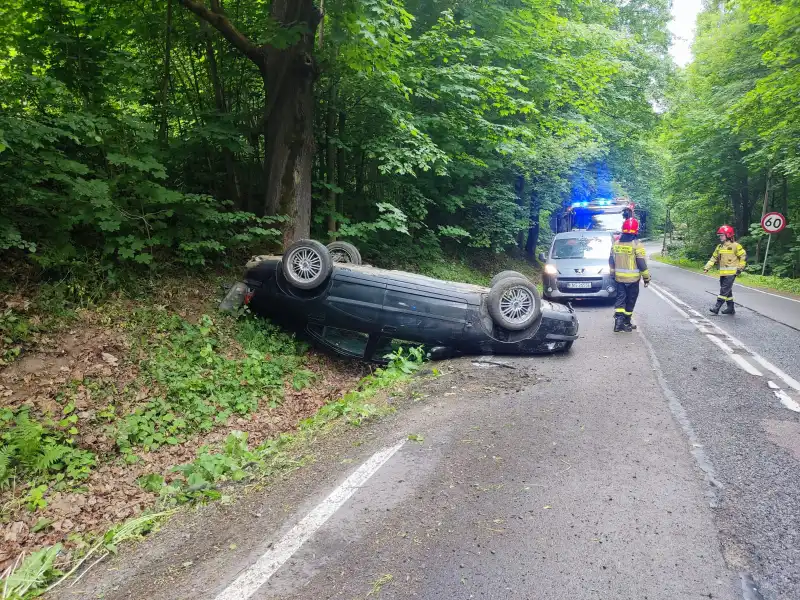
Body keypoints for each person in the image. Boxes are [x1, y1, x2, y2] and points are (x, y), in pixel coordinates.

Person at [609, 217, 651, 332]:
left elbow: (611, 260)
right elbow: (641, 263)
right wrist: (646, 278)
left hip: (619, 279)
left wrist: (612, 274)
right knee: (630, 300)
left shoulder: (616, 243)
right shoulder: (637, 245)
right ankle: (626, 322)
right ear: (636, 230)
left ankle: (618, 324)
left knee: (620, 299)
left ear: (623, 229)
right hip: (633, 280)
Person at [704, 225, 746, 315]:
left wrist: (740, 268)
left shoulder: (736, 246)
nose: (720, 237)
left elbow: (743, 257)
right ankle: (731, 308)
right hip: (723, 273)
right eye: (719, 235)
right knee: (727, 291)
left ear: (728, 235)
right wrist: (707, 267)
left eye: (722, 235)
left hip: (732, 273)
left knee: (724, 290)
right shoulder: (720, 247)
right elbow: (713, 258)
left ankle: (717, 307)